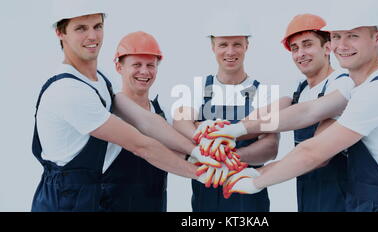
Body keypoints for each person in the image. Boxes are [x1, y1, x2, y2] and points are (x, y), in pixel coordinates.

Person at [211, 2, 378, 212]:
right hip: (360, 199)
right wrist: (236, 128)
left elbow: (314, 152)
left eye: (353, 35)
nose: (342, 45)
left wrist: (256, 180)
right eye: (337, 36)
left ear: (377, 38)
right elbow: (307, 111)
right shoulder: (357, 85)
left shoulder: (375, 91)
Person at [31, 0, 218, 212]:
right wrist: (205, 174)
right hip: (63, 202)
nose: (92, 36)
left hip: (89, 199)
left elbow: (145, 120)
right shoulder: (68, 90)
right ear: (60, 32)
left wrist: (197, 150)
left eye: (97, 26)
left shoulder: (100, 80)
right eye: (81, 28)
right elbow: (141, 145)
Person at [173, 13, 279, 212]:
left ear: (247, 45)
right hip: (206, 193)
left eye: (237, 44)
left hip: (249, 193)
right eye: (223, 44)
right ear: (213, 47)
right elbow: (180, 122)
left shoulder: (263, 93)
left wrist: (227, 159)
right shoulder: (197, 88)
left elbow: (271, 146)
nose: (230, 51)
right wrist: (201, 134)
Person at [281, 14, 354, 212]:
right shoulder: (299, 89)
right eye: (295, 48)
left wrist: (261, 177)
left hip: (340, 200)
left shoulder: (341, 84)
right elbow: (266, 116)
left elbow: (318, 156)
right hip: (308, 195)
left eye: (307, 44)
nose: (300, 53)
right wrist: (226, 130)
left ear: (327, 47)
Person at [100, 31, 171, 211]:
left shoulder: (164, 115)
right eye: (136, 64)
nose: (144, 71)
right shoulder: (105, 115)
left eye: (150, 65)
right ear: (119, 67)